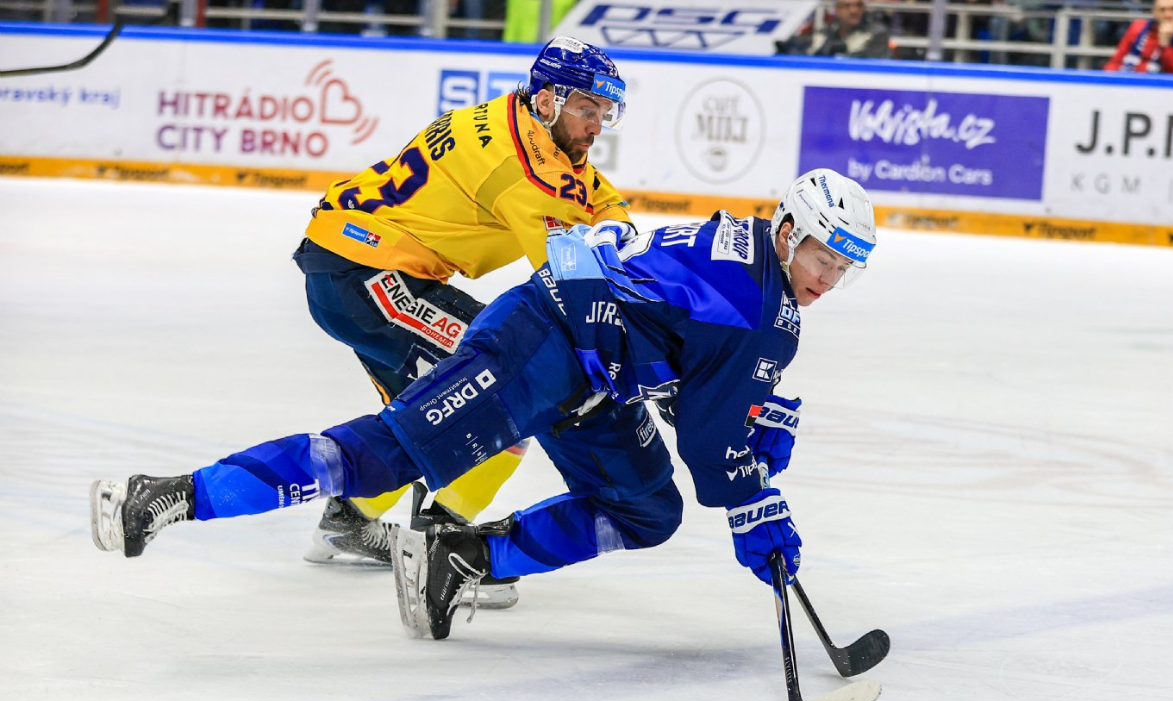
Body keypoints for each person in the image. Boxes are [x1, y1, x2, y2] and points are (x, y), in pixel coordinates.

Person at [89, 168, 879, 641]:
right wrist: (755, 499)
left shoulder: (744, 251)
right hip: (541, 343)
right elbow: (711, 451)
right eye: (822, 256)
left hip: (589, 369)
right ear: (788, 230)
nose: (827, 279)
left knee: (645, 509)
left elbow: (675, 349)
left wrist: (737, 413)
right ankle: (171, 494)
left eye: (842, 268)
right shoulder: (764, 316)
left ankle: (457, 558)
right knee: (385, 455)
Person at [291, 35, 633, 610]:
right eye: (587, 109)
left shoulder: (514, 118)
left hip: (350, 264)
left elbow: (590, 191)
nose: (596, 126)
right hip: (373, 274)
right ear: (547, 100)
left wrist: (615, 222)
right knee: (510, 389)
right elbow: (572, 276)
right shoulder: (523, 170)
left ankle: (349, 519)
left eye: (605, 112)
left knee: (425, 413)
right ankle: (442, 548)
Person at [1104, 0, 1173, 74]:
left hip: (1165, 88)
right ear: (1154, 12)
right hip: (1131, 79)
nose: (1168, 15)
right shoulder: (1138, 27)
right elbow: (1115, 61)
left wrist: (1165, 44)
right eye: (1162, 10)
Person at [775, 0, 891, 59]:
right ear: (837, 9)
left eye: (858, 5)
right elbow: (813, 55)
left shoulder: (877, 32)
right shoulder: (826, 32)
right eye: (847, 6)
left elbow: (871, 61)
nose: (854, 11)